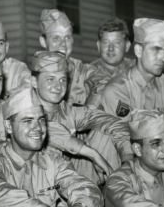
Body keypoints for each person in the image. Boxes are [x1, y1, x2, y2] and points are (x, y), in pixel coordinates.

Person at [99, 18, 164, 162]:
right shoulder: (117, 90)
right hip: (118, 168)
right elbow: (125, 146)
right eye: (156, 50)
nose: (163, 57)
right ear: (138, 50)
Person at [30, 50, 119, 185]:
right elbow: (50, 131)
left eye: (62, 80)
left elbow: (104, 119)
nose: (57, 86)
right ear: (34, 82)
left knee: (106, 131)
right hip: (36, 181)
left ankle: (115, 190)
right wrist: (93, 154)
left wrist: (128, 156)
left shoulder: (65, 109)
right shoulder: (24, 108)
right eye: (50, 79)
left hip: (68, 174)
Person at [39, 9, 90, 106]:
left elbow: (102, 81)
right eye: (56, 38)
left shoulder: (82, 71)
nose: (63, 44)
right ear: (43, 41)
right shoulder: (36, 75)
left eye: (67, 38)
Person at [85, 19, 134, 107]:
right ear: (98, 46)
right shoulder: (85, 75)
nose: (111, 48)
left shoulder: (136, 71)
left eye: (117, 43)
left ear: (127, 46)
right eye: (105, 42)